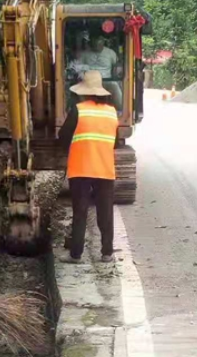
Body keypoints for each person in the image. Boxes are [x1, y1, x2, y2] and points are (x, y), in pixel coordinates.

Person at [58, 70, 118, 264]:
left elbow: (63, 137)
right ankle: (107, 252)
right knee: (105, 212)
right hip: (105, 168)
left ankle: (76, 254)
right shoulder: (112, 113)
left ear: (83, 92)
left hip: (81, 168)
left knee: (81, 212)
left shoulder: (79, 110)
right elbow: (113, 142)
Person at [82, 36, 123, 110]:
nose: (97, 46)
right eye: (95, 44)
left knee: (114, 84)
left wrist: (117, 73)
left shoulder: (110, 53)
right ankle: (79, 110)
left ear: (103, 43)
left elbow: (117, 66)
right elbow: (78, 67)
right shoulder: (84, 54)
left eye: (99, 44)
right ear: (91, 43)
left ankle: (121, 109)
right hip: (89, 81)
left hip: (106, 81)